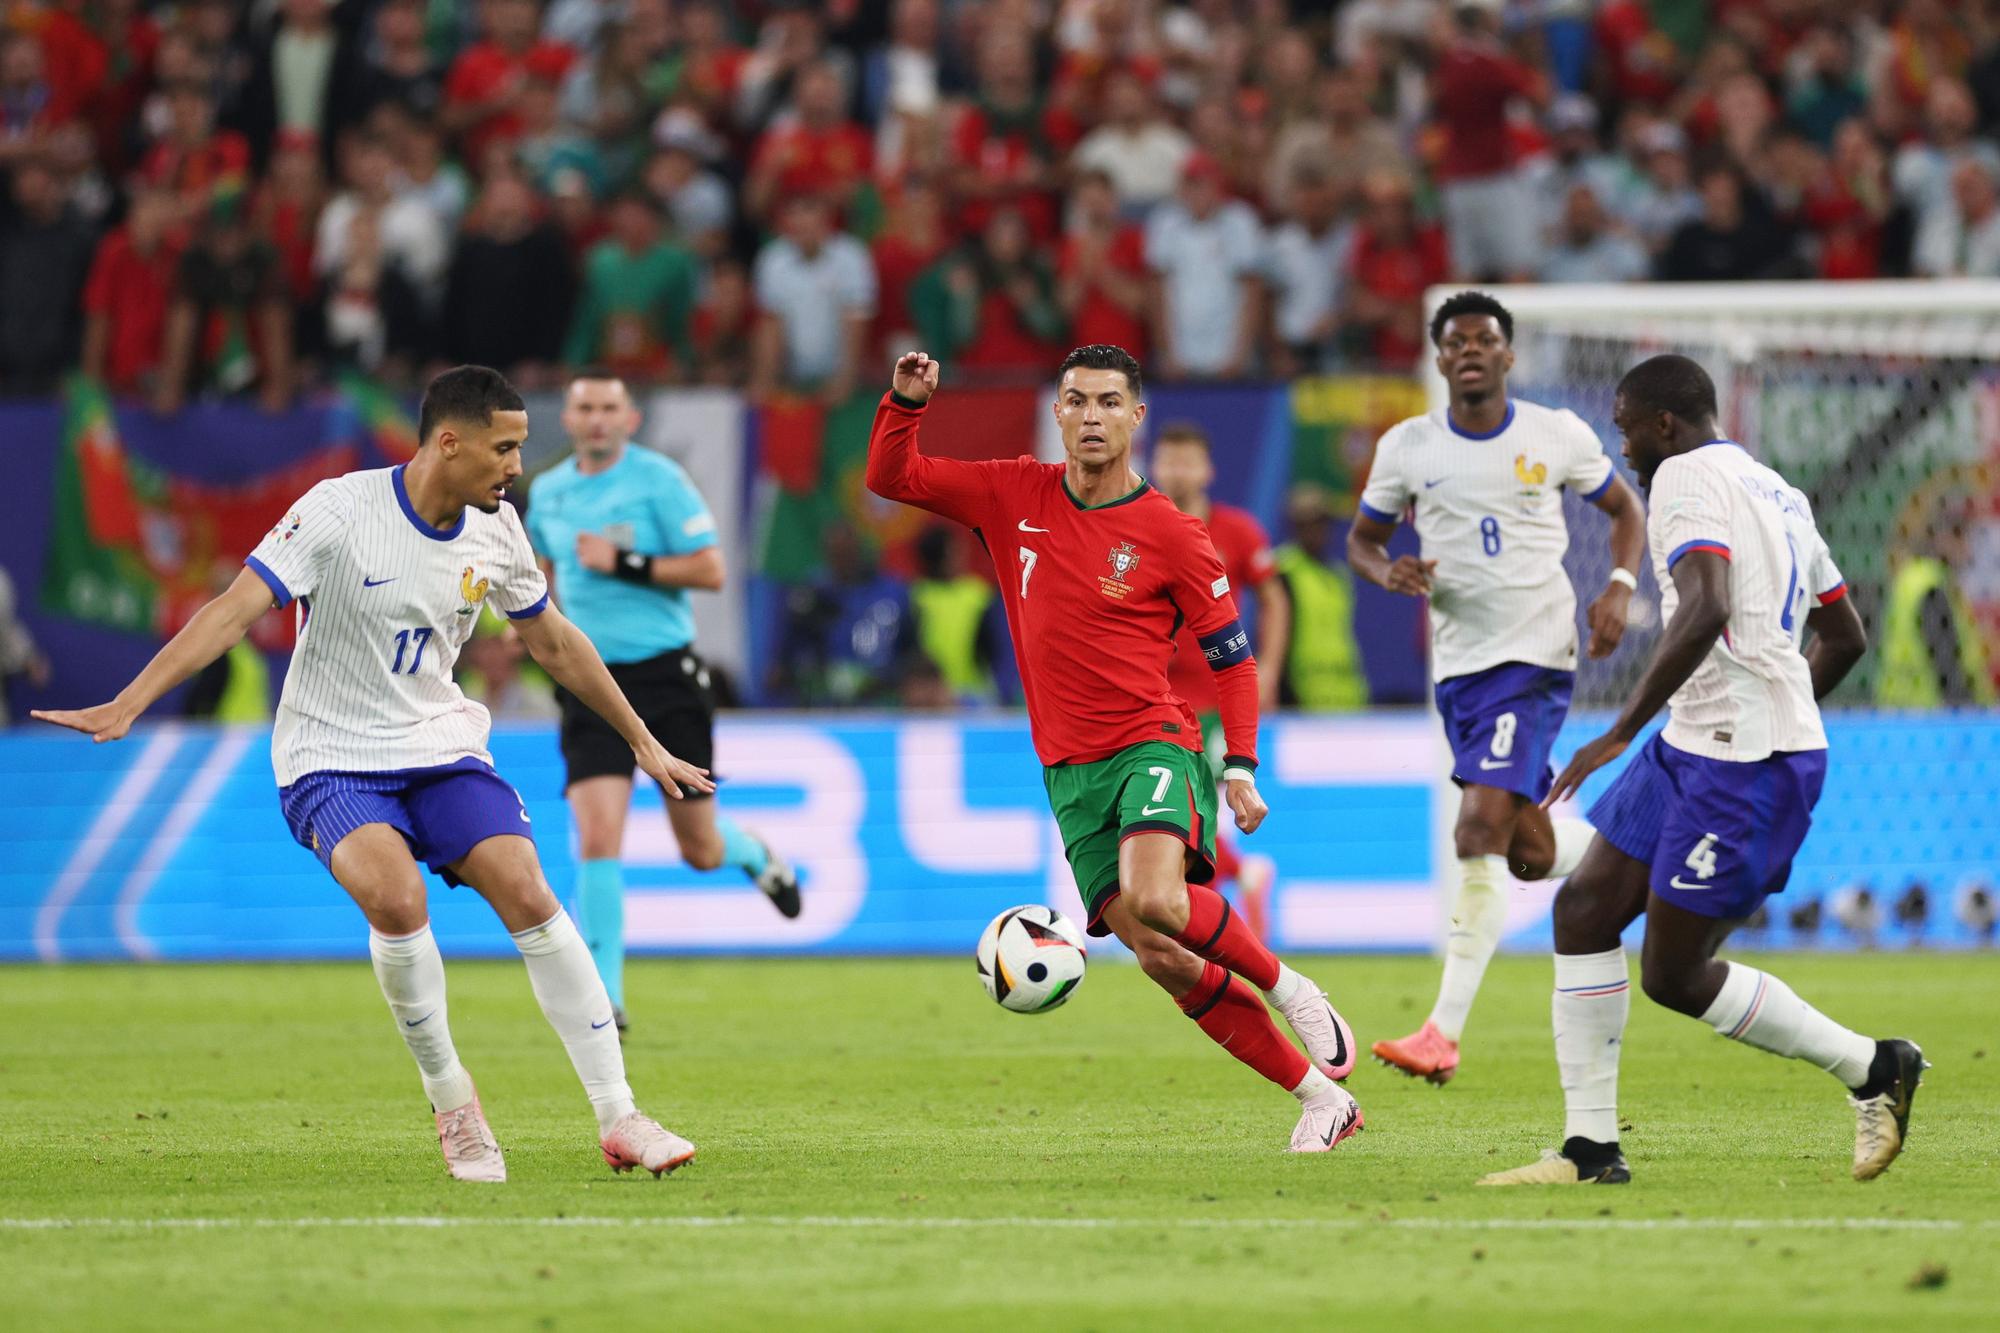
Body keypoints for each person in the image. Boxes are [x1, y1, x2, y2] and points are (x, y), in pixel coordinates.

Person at [33, 366, 710, 1183]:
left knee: (529, 889)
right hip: (329, 753)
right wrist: (129, 702)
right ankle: (453, 1099)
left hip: (438, 743)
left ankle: (619, 1115)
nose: (516, 466)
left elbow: (554, 640)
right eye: (505, 447)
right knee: (396, 898)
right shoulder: (337, 511)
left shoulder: (497, 530)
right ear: (448, 441)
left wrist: (641, 740)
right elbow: (233, 609)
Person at [867, 344, 1363, 1154]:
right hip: (1068, 770)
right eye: (1076, 401)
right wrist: (906, 404)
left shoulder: (1173, 533)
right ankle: (1319, 1099)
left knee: (1161, 898)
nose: (1090, 416)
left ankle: (1291, 986)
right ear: (1056, 413)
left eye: (1107, 402)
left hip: (1151, 744)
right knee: (1161, 956)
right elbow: (895, 478)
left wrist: (1238, 762)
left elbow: (1233, 659)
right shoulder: (1012, 491)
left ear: (1137, 417)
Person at [1481, 354, 1919, 1187]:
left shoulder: (1680, 479)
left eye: (1627, 429)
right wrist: (1782, 705)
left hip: (1742, 764)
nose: (1624, 448)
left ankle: (1875, 1066)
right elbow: (1845, 634)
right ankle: (1590, 1150)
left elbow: (1709, 603)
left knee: (1674, 975)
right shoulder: (1777, 490)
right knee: (1583, 911)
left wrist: (1616, 734)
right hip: (1698, 743)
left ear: (1666, 426)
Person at [1349, 290, 1647, 1085]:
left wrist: (1618, 584)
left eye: (1485, 339)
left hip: (1535, 656)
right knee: (1525, 853)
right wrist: (1390, 570)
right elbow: (1362, 540)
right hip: (1460, 670)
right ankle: (1660, 851)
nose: (1471, 350)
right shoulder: (1408, 447)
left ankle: (1441, 1033)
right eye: (1456, 341)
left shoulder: (1555, 435)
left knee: (1475, 829)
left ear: (1509, 355)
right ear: (1439, 358)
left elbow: (1624, 510)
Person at [526, 370, 801, 1033]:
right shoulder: (549, 493)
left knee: (699, 848)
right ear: (567, 419)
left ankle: (755, 854)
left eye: (608, 409)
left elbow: (711, 569)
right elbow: (542, 573)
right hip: (592, 680)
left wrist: (626, 563)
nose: (596, 419)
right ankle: (607, 997)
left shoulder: (659, 480)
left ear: (631, 420)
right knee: (598, 834)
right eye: (585, 408)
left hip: (666, 676)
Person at [1151, 422, 1290, 943]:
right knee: (1175, 805)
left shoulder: (1238, 530)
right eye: (1169, 459)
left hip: (1214, 695)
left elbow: (1274, 597)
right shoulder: (1139, 523)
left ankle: (1230, 878)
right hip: (1155, 696)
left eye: (1188, 460)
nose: (1178, 470)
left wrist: (1270, 668)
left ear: (1208, 470)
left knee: (1190, 803)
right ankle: (1211, 888)